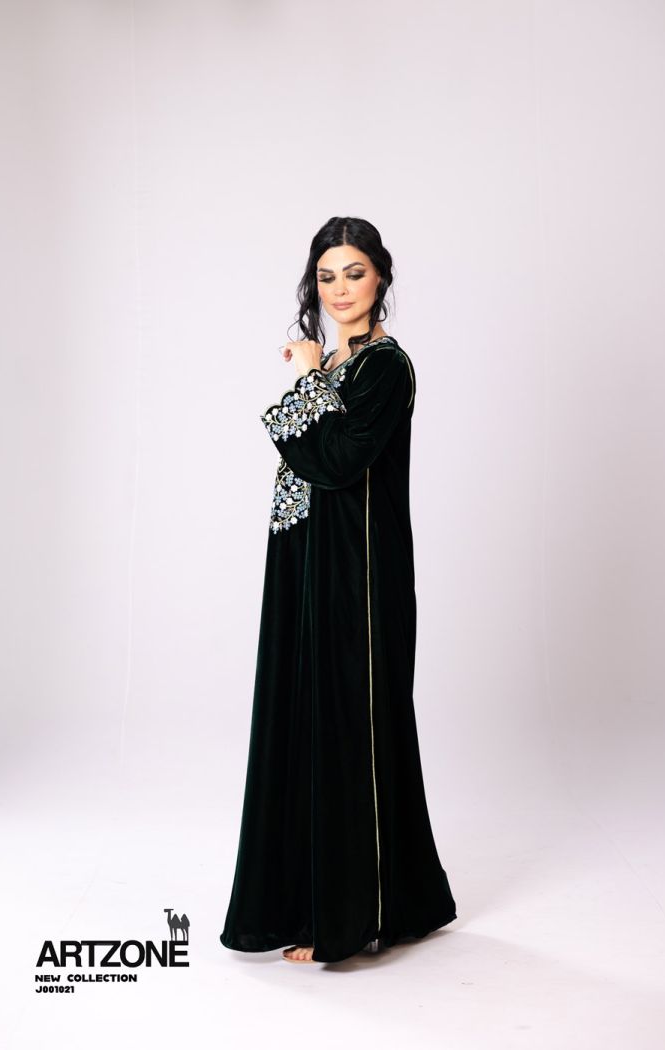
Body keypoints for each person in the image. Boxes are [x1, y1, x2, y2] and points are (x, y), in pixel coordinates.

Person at [220, 216, 457, 965]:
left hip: (360, 575)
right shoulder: (336, 368)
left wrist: (306, 379)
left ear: (380, 277)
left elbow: (338, 460)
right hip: (308, 565)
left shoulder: (386, 367)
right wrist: (316, 377)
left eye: (354, 273)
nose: (340, 289)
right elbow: (311, 460)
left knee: (354, 726)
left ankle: (352, 919)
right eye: (326, 276)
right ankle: (323, 902)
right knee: (306, 718)